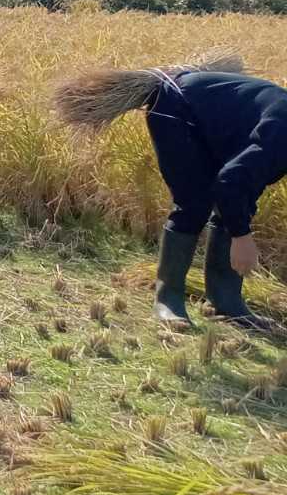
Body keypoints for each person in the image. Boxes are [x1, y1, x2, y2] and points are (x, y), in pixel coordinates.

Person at [53, 51, 284, 330]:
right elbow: (231, 181)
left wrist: (239, 222)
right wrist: (242, 238)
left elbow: (245, 181)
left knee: (240, 203)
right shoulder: (281, 134)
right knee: (194, 203)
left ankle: (226, 302)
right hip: (178, 107)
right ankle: (168, 299)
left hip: (220, 123)